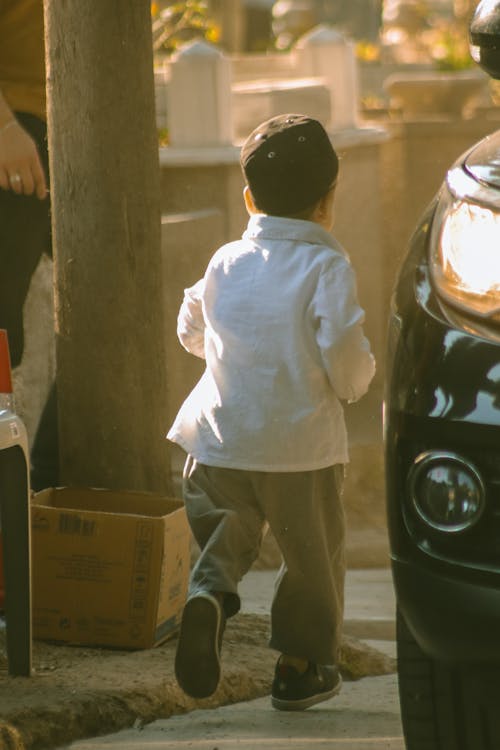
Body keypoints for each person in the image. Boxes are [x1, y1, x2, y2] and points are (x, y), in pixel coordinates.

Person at [167, 113, 375, 710]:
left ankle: (208, 594)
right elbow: (341, 348)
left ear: (249, 196)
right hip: (298, 447)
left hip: (220, 437)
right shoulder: (326, 266)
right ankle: (298, 668)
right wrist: (355, 385)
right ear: (327, 203)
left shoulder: (224, 260)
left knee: (230, 523)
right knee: (311, 555)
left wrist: (219, 353)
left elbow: (190, 325)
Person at [0, 0, 59, 491]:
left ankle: (46, 482)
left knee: (111, 306)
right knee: (2, 322)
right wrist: (3, 128)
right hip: (16, 135)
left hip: (74, 129)